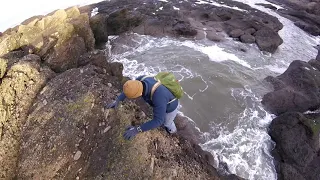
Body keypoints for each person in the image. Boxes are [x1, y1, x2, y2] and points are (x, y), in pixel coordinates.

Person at [106, 75, 179, 140]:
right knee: (159, 111)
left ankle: (172, 131)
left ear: (140, 94)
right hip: (162, 101)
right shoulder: (141, 79)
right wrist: (118, 100)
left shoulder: (158, 97)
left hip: (170, 107)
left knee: (167, 122)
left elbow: (158, 121)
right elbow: (129, 88)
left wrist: (137, 129)